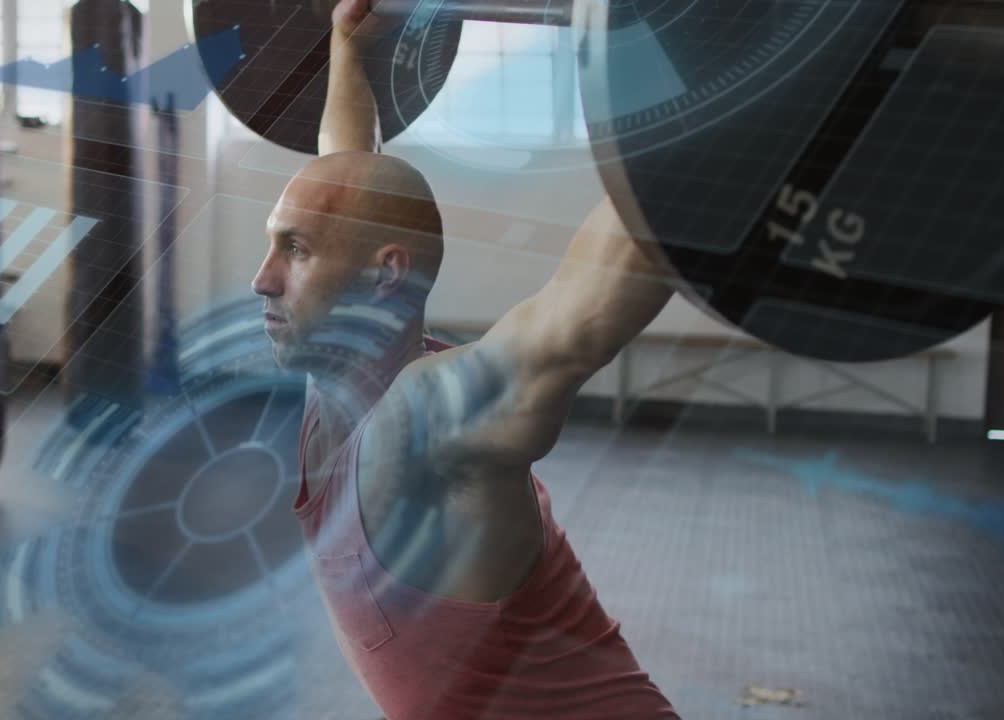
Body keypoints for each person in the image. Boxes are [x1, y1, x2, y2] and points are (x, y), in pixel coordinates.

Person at [249, 1, 681, 717]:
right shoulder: (332, 380)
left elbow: (571, 330)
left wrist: (707, 81)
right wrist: (347, 46)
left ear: (383, 276)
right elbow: (344, 177)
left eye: (293, 251)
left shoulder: (428, 421)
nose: (262, 278)